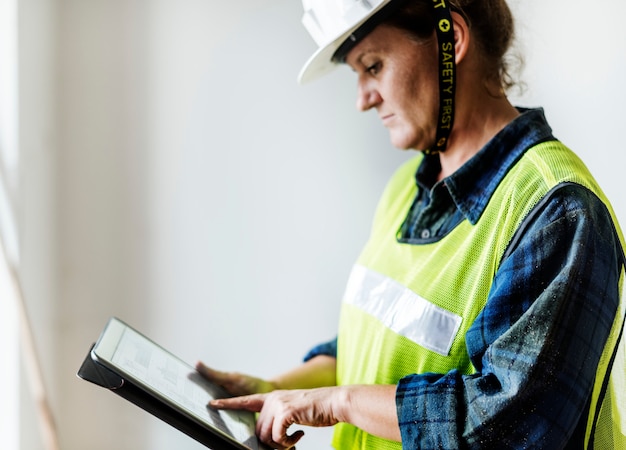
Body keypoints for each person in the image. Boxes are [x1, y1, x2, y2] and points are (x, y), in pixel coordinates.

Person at [196, 0, 626, 448]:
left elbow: (508, 423)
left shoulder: (556, 210)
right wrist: (280, 392)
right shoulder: (407, 189)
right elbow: (379, 344)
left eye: (374, 66)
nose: (363, 98)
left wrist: (341, 402)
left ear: (452, 39)